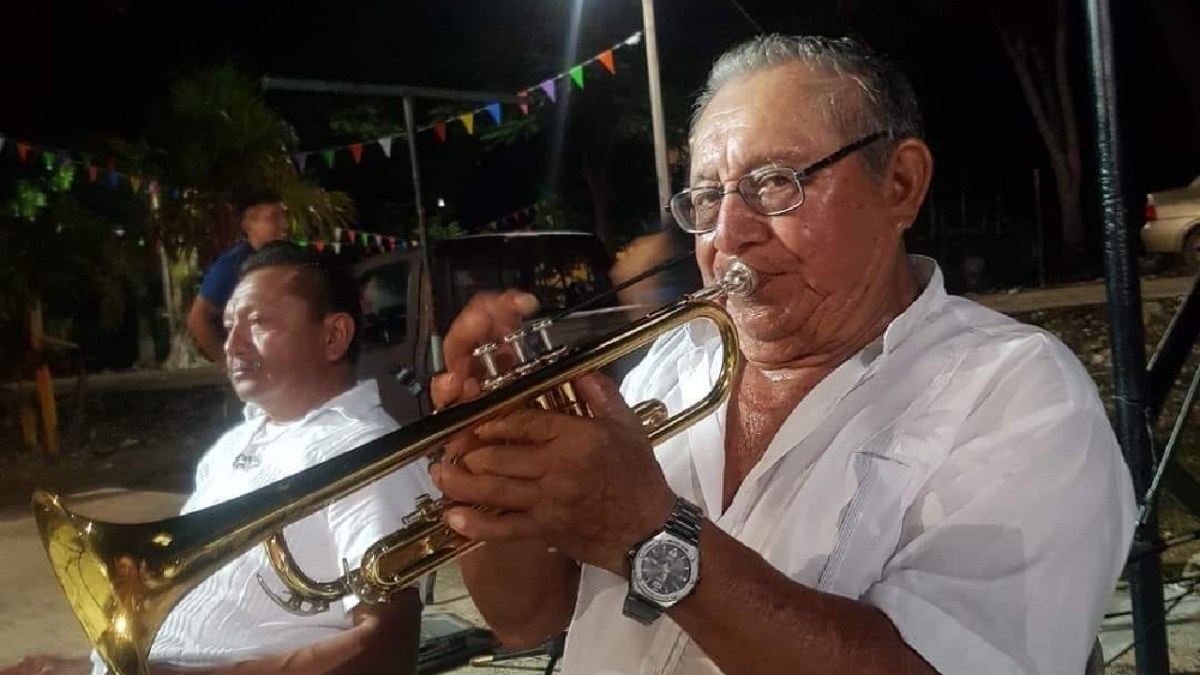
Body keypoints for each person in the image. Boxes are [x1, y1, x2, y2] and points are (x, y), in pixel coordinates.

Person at [428, 35, 1136, 675]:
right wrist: (487, 469)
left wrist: (649, 533)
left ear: (901, 185)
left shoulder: (1018, 392)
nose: (727, 234)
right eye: (706, 197)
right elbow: (524, 616)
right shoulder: (674, 364)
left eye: (775, 183)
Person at [5, 241, 433, 675]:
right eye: (229, 326)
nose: (233, 345)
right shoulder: (234, 444)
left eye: (259, 323)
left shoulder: (367, 453)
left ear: (333, 336)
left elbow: (387, 651)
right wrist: (82, 668)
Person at [188, 190, 289, 363]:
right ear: (248, 226)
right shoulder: (233, 264)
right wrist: (227, 362)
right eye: (273, 218)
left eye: (284, 217)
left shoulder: (281, 260)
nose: (284, 226)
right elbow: (198, 319)